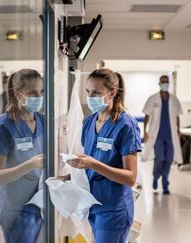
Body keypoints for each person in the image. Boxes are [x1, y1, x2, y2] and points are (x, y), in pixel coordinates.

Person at [66, 68, 142, 243]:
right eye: (88, 92)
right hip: (93, 204)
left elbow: (131, 177)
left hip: (113, 208)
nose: (90, 97)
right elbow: (90, 163)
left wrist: (94, 165)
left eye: (96, 93)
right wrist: (69, 176)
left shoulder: (125, 125)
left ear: (112, 93)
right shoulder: (88, 122)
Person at [0, 69, 44, 243]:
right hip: (16, 211)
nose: (38, 97)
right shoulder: (4, 125)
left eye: (41, 92)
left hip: (40, 206)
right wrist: (32, 164)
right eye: (33, 93)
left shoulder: (43, 121)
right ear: (19, 94)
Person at [142, 75, 183, 194]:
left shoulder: (174, 99)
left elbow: (177, 116)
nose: (164, 83)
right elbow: (147, 115)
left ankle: (165, 183)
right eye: (162, 82)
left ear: (169, 83)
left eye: (166, 82)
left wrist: (178, 130)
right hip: (157, 135)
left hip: (171, 135)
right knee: (160, 158)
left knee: (169, 160)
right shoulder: (153, 99)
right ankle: (155, 177)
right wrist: (145, 130)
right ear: (159, 83)